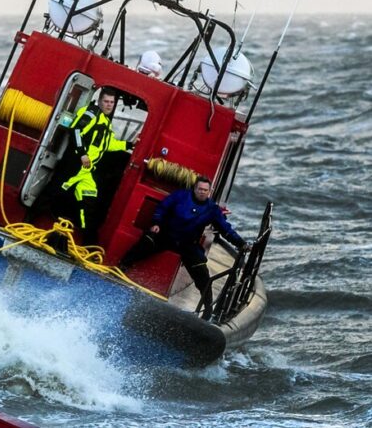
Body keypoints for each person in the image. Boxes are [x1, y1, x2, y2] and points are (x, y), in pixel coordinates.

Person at [119, 176, 249, 320]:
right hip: (166, 235)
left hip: (187, 244)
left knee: (200, 268)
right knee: (147, 240)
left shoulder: (212, 209)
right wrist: (156, 223)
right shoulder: (180, 196)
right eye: (200, 189)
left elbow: (226, 229)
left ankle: (207, 307)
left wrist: (240, 243)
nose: (202, 192)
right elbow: (162, 208)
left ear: (209, 192)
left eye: (205, 190)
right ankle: (122, 267)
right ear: (194, 188)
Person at [51, 87, 134, 244]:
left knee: (89, 204)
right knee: (56, 193)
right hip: (75, 165)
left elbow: (108, 144)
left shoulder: (105, 122)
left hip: (87, 171)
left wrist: (129, 145)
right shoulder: (91, 113)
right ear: (100, 101)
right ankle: (32, 217)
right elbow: (76, 130)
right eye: (106, 102)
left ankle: (88, 242)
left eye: (112, 102)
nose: (109, 105)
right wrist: (82, 153)